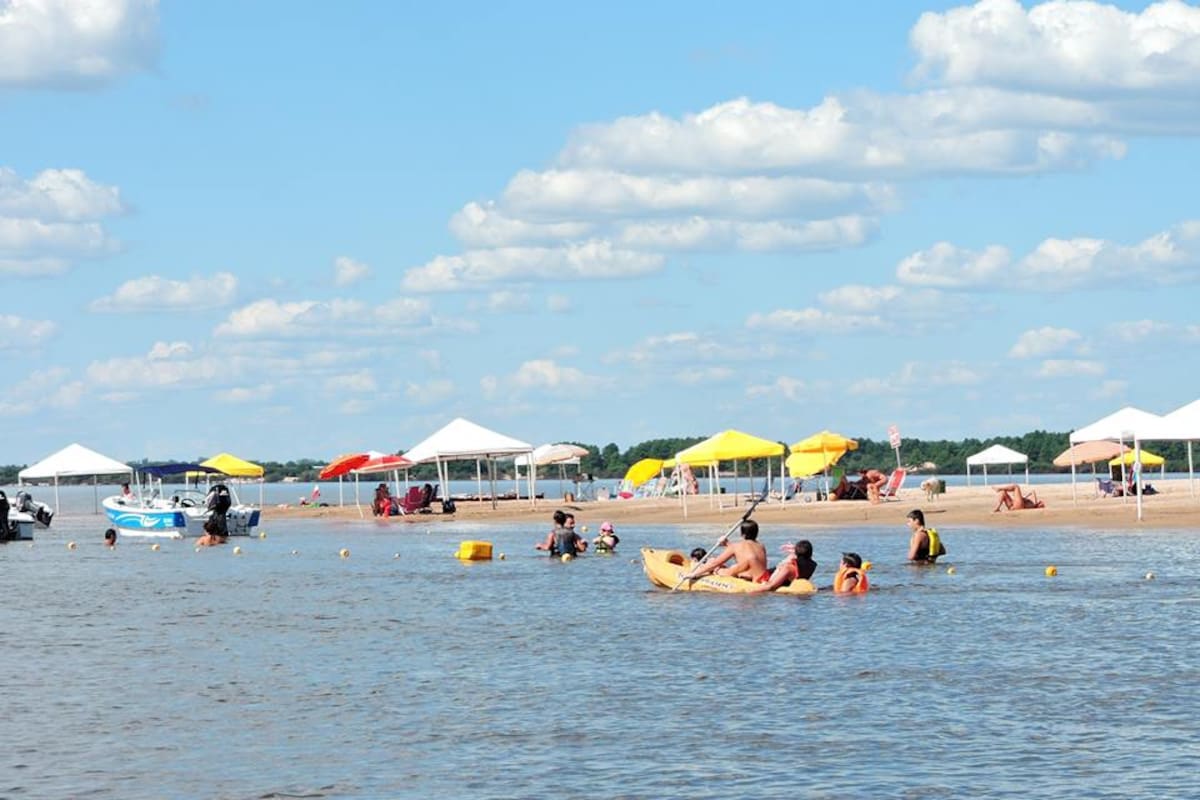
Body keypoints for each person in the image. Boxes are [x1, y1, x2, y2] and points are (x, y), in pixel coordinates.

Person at [688, 519, 768, 582]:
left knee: (716, 567)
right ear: (756, 533)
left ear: (742, 534)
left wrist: (695, 574)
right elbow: (743, 557)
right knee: (731, 567)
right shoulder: (761, 546)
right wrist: (727, 544)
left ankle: (700, 567)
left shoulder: (736, 546)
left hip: (747, 578)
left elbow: (715, 563)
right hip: (762, 577)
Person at [750, 539, 817, 593]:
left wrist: (750, 592)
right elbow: (805, 558)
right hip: (782, 574)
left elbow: (770, 586)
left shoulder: (788, 568)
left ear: (796, 553)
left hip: (765, 577)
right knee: (789, 559)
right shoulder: (812, 566)